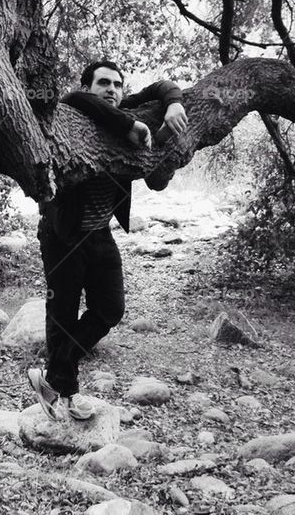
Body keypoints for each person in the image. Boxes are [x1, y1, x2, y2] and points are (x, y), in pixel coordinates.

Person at [27, 60, 188, 420]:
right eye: (103, 83)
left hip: (100, 234)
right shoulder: (72, 114)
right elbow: (71, 98)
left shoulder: (125, 109)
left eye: (118, 84)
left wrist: (175, 102)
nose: (112, 90)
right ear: (88, 87)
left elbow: (162, 86)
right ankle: (66, 395)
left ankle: (53, 378)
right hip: (64, 236)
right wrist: (130, 125)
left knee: (111, 309)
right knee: (62, 314)